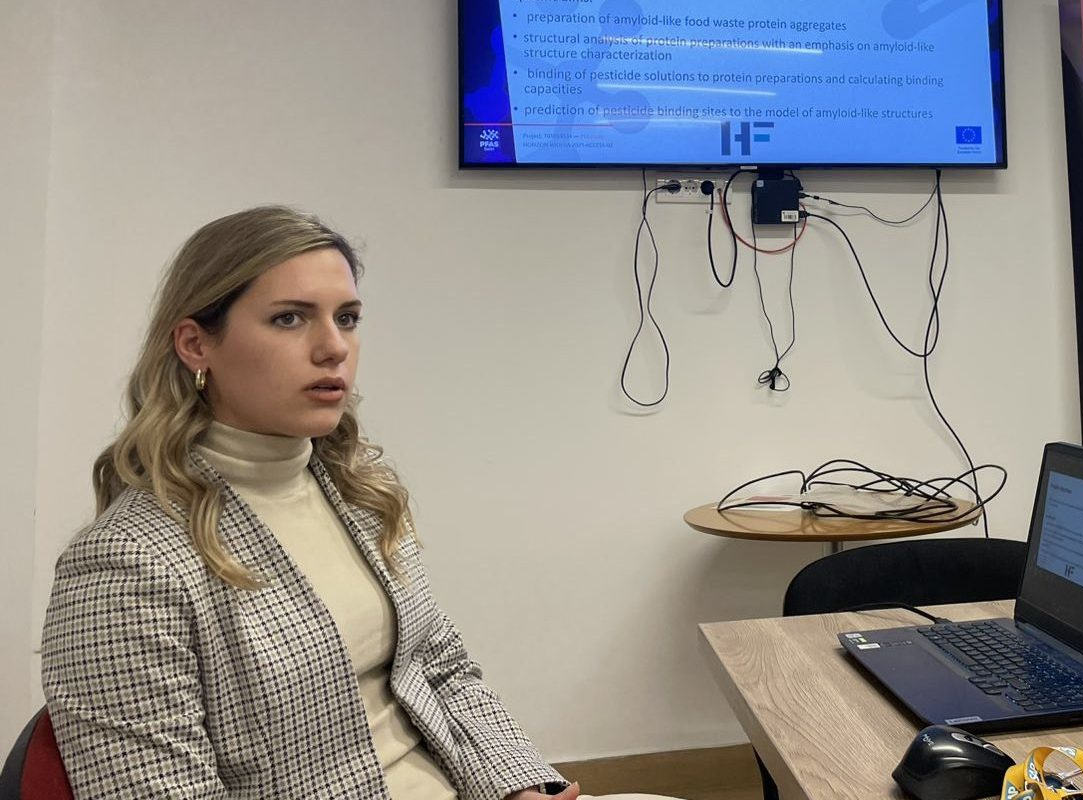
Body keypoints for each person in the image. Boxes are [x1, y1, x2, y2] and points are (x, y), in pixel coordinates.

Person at [40, 206, 675, 800]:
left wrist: (519, 787)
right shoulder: (126, 564)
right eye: (289, 319)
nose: (334, 347)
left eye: (346, 318)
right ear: (195, 345)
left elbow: (440, 666)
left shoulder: (357, 489)